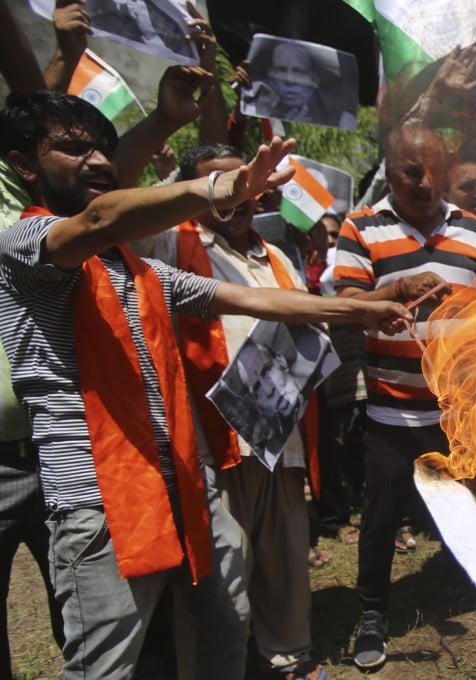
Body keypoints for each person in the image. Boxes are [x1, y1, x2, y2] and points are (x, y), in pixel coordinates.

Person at [0, 90, 408, 679]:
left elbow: (254, 297)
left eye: (99, 149)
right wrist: (219, 189)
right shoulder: (24, 246)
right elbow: (95, 220)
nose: (96, 162)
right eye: (69, 149)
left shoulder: (138, 270)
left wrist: (363, 310)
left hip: (189, 484)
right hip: (101, 501)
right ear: (23, 164)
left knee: (222, 633)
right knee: (105, 667)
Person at [130, 141, 344, 679]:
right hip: (212, 446)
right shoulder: (169, 244)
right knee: (221, 580)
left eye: (248, 180)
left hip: (280, 439)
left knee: (286, 565)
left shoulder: (277, 256)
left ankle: (289, 661)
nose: (242, 191)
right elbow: (132, 206)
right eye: (225, 184)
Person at [334, 125, 476, 670]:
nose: (424, 182)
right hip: (390, 410)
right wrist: (390, 292)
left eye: (434, 170)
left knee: (470, 510)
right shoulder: (361, 229)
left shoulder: (474, 232)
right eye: (410, 171)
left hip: (457, 413)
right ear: (388, 170)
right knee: (381, 520)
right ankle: (373, 613)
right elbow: (347, 306)